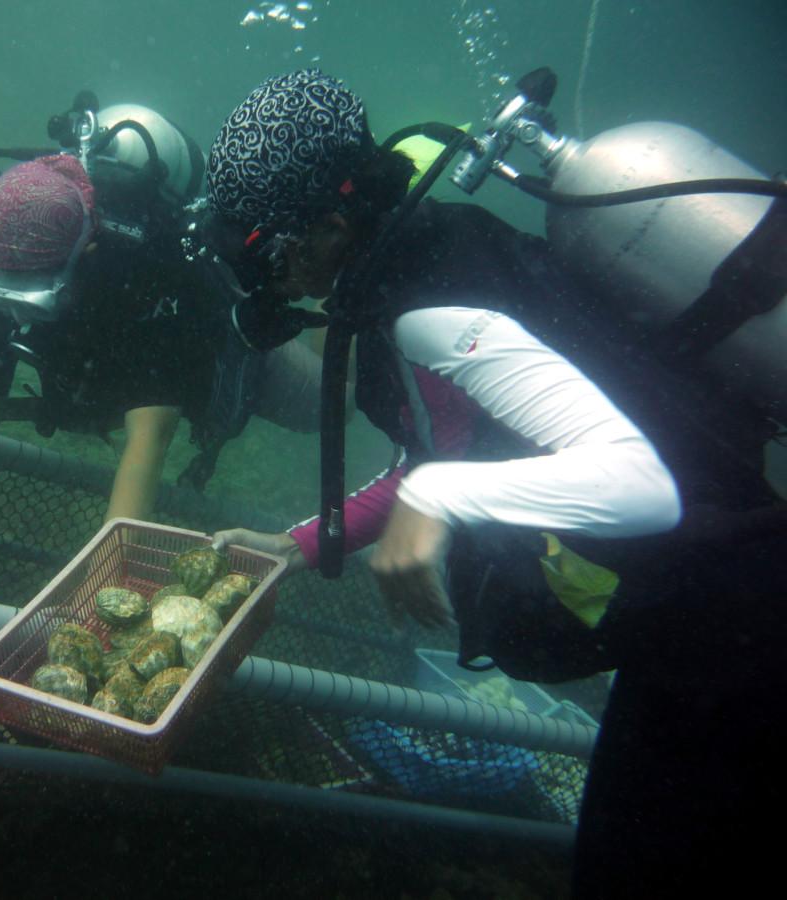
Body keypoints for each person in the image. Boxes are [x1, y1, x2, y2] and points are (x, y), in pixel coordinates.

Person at [203, 69, 786, 897]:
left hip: (735, 633)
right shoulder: (436, 259)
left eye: (259, 247)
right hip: (702, 623)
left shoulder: (427, 307)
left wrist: (441, 504)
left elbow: (636, 483)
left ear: (333, 223)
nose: (258, 275)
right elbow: (451, 455)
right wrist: (300, 545)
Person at [0, 100, 337, 570]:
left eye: (31, 302)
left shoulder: (144, 276)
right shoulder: (8, 262)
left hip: (213, 354)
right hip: (104, 369)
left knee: (337, 403)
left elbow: (148, 437)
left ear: (85, 254)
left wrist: (102, 578)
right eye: (3, 300)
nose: (14, 318)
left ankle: (339, 298)